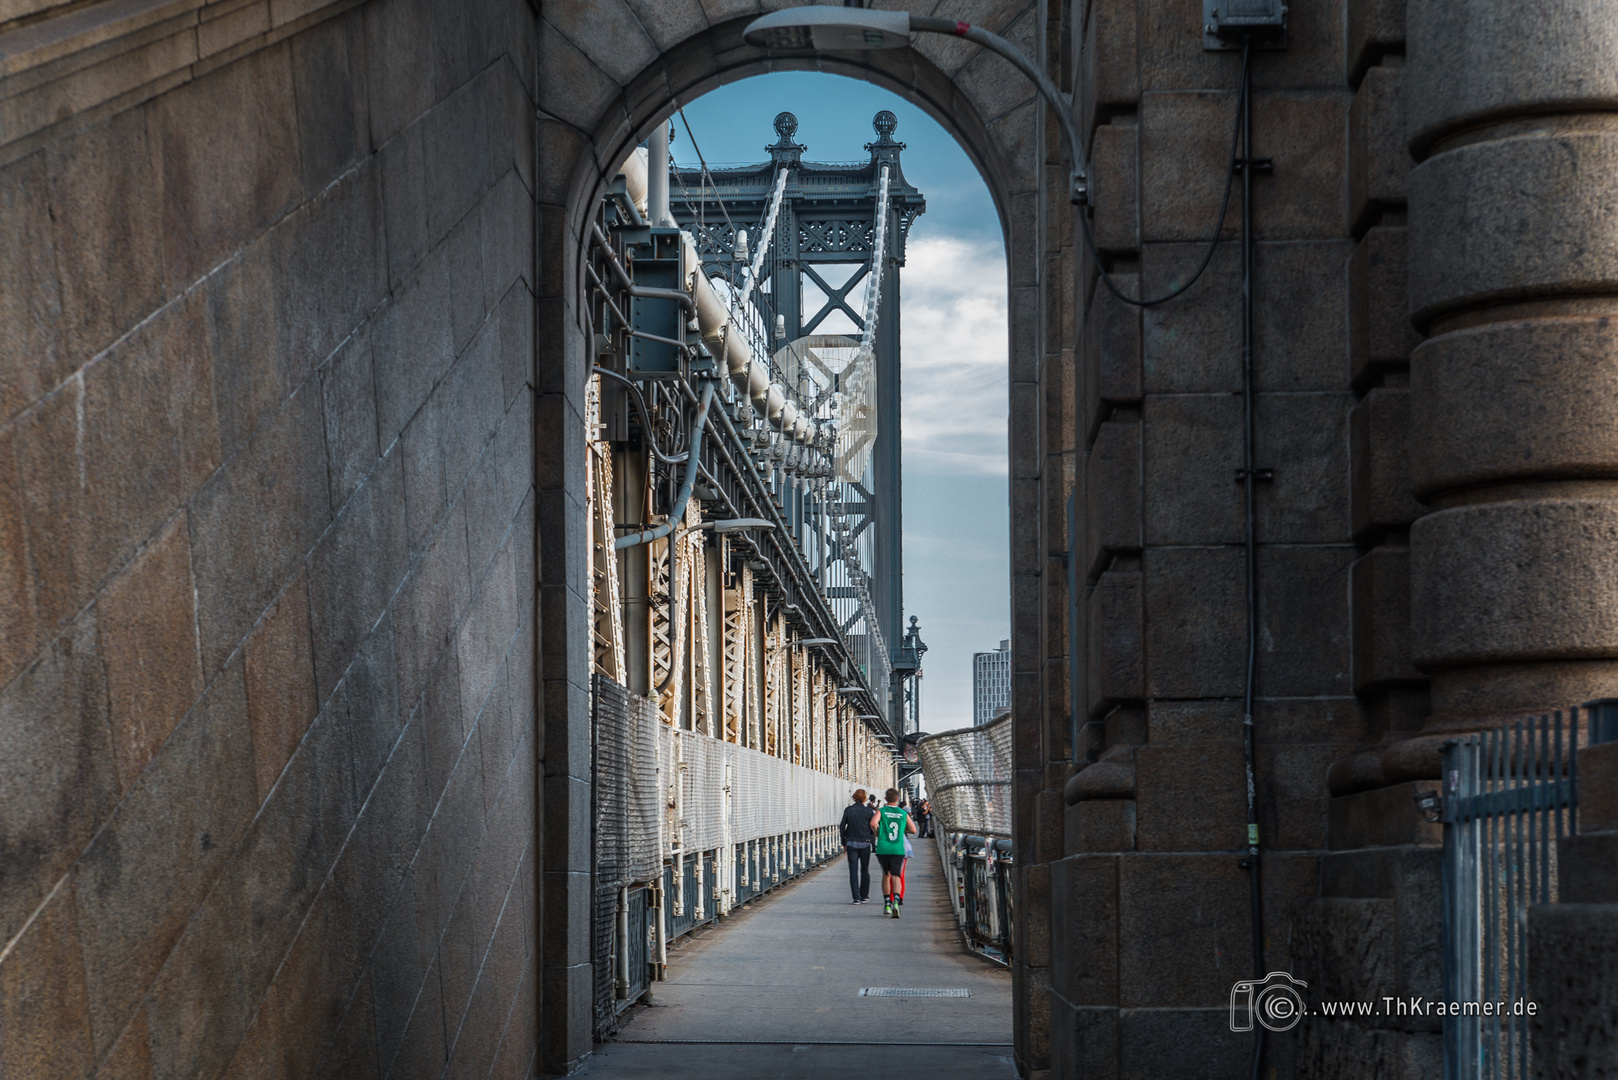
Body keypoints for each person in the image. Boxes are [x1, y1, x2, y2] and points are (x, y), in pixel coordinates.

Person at [871, 787, 917, 918]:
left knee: (886, 875)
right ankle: (896, 902)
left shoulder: (882, 810)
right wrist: (903, 829)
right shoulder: (903, 813)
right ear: (897, 799)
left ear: (886, 799)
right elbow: (913, 830)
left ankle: (887, 904)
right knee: (896, 876)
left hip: (883, 847)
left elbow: (873, 823)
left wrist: (878, 833)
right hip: (898, 848)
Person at [840, 789, 875, 904]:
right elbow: (873, 828)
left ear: (854, 797)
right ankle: (864, 896)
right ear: (865, 798)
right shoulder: (869, 812)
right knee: (865, 869)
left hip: (851, 843)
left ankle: (856, 897)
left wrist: (844, 842)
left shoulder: (849, 810)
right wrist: (873, 843)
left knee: (853, 871)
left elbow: (842, 826)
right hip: (865, 843)